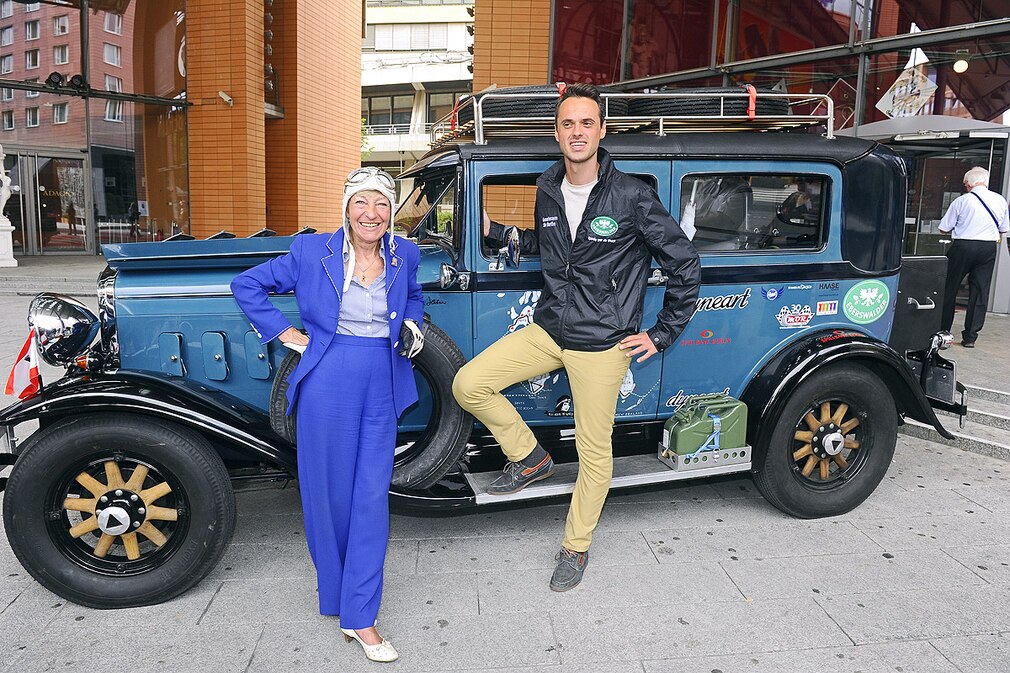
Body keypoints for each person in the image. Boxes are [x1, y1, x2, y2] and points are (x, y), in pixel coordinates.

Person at [453, 83, 701, 592]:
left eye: (587, 123)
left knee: (594, 453)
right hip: (549, 329)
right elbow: (548, 244)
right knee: (468, 383)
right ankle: (531, 458)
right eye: (568, 124)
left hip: (602, 343)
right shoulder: (548, 186)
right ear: (558, 131)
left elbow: (684, 262)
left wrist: (663, 332)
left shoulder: (632, 195)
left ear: (602, 130)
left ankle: (576, 546)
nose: (577, 132)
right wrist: (492, 229)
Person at [231, 167, 424, 663]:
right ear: (346, 206)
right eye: (362, 202)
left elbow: (415, 299)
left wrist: (413, 326)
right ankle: (337, 598)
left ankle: (360, 615)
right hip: (326, 377)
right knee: (327, 496)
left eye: (382, 204)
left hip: (382, 377)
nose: (372, 214)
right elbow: (247, 284)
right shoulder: (309, 251)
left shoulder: (406, 254)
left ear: (391, 211)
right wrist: (283, 334)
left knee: (371, 496)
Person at [938, 166, 1009, 348]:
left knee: (949, 287)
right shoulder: (1000, 200)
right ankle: (970, 337)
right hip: (987, 248)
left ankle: (944, 331)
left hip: (963, 246)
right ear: (985, 182)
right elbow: (1004, 229)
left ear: (969, 184)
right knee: (980, 292)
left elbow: (943, 228)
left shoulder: (962, 201)